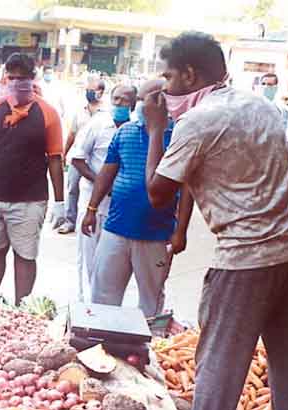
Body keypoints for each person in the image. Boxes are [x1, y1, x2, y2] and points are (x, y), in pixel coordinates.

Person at [143, 31, 288, 410]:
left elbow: (158, 193)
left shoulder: (196, 122)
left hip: (245, 258)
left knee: (218, 369)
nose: (165, 87)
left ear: (190, 74)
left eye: (168, 77)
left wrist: (156, 128)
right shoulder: (262, 106)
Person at [82, 80, 194, 317]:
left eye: (147, 100)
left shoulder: (178, 137)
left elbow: (187, 190)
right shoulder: (125, 132)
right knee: (103, 297)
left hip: (155, 234)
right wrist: (91, 208)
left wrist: (180, 230)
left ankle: (144, 350)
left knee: (150, 302)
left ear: (163, 103)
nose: (140, 105)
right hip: (116, 228)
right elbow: (106, 173)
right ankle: (102, 346)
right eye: (140, 100)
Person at [0, 53, 65, 304]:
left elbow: (55, 159)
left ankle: (23, 310)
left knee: (25, 257)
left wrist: (61, 202)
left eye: (23, 78)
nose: (17, 83)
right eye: (13, 77)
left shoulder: (48, 114)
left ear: (33, 78)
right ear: (5, 78)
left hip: (29, 202)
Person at [72, 84, 136, 303]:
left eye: (125, 100)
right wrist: (102, 183)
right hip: (93, 202)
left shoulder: (137, 129)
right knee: (88, 257)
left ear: (134, 104)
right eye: (116, 99)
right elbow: (77, 159)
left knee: (109, 262)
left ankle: (103, 306)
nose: (119, 104)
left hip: (120, 208)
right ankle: (84, 307)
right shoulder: (97, 125)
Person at [60, 78, 106, 234]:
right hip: (78, 158)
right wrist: (64, 153)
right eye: (87, 89)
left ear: (100, 92)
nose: (89, 92)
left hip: (95, 160)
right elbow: (72, 135)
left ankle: (93, 217)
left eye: (92, 90)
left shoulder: (106, 113)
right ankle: (70, 220)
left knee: (95, 188)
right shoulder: (80, 111)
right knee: (73, 188)